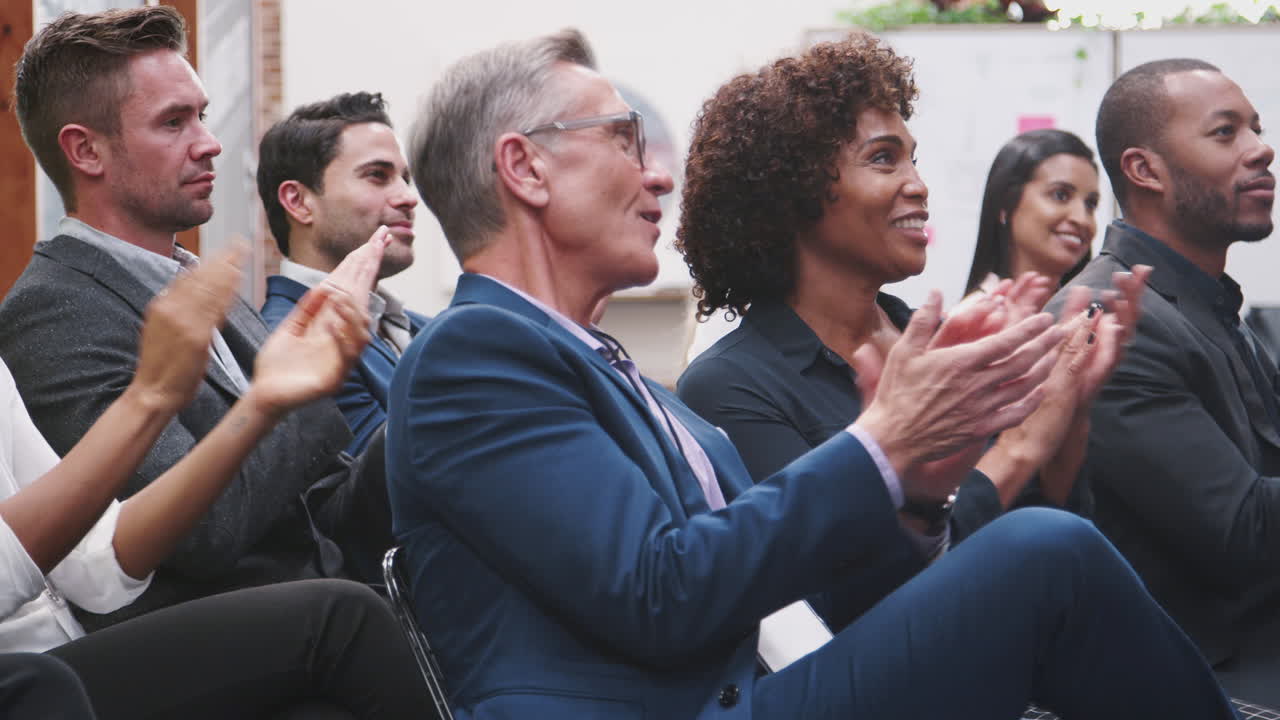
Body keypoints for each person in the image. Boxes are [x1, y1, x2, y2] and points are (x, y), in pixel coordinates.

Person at [387, 28, 1237, 719]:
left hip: (768, 684)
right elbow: (661, 595)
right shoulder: (476, 353)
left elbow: (813, 606)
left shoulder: (632, 382)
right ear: (524, 167)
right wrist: (888, 440)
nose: (656, 173)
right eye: (622, 139)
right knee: (1044, 552)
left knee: (1049, 557)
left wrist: (917, 494)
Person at [0, 7, 392, 628]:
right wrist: (294, 392)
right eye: (173, 122)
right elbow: (205, 536)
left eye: (202, 115)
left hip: (325, 610)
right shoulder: (53, 312)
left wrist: (425, 412)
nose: (209, 142)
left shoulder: (196, 279)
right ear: (85, 150)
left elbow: (316, 509)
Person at [675, 40, 1127, 537]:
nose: (918, 184)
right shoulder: (730, 385)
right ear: (793, 191)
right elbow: (837, 579)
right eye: (884, 159)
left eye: (913, 159)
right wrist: (1019, 449)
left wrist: (1071, 408)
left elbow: (1045, 517)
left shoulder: (938, 341)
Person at [0, 239, 433, 718]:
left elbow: (92, 563)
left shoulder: (204, 285)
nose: (211, 156)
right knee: (344, 620)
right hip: (32, 678)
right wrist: (150, 398)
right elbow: (207, 535)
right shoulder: (53, 308)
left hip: (63, 661)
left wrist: (265, 403)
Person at [1048, 57, 1280, 704]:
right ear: (1144, 169)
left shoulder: (1206, 305)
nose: (1262, 150)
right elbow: (1242, 533)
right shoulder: (1112, 318)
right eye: (1225, 132)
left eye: (1256, 129)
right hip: (1208, 677)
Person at [258, 91, 428, 455]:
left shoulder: (428, 329)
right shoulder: (285, 341)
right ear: (298, 202)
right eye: (377, 176)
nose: (408, 197)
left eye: (405, 178)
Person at [964, 128, 1100, 295]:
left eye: (1090, 204)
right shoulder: (972, 317)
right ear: (1006, 204)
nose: (1082, 219)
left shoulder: (1096, 313)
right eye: (1060, 195)